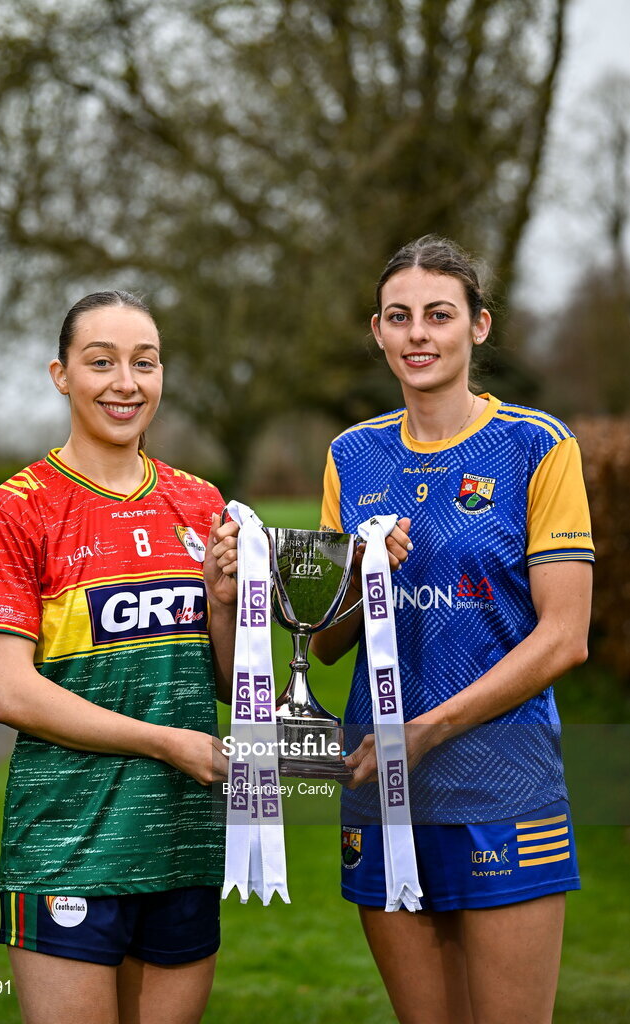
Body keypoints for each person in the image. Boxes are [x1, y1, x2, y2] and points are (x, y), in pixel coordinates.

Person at [312, 235, 594, 1024]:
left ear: (477, 326)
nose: (417, 335)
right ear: (376, 331)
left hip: (502, 783)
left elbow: (564, 635)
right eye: (398, 317)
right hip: (380, 784)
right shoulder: (351, 455)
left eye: (439, 314)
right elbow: (328, 641)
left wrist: (427, 729)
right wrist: (363, 573)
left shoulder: (538, 444)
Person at [0, 290, 239, 1024]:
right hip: (67, 848)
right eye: (101, 362)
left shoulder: (200, 502)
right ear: (61, 374)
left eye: (143, 363)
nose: (126, 382)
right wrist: (163, 743)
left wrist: (220, 601)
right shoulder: (16, 508)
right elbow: (7, 692)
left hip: (182, 844)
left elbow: (224, 683)